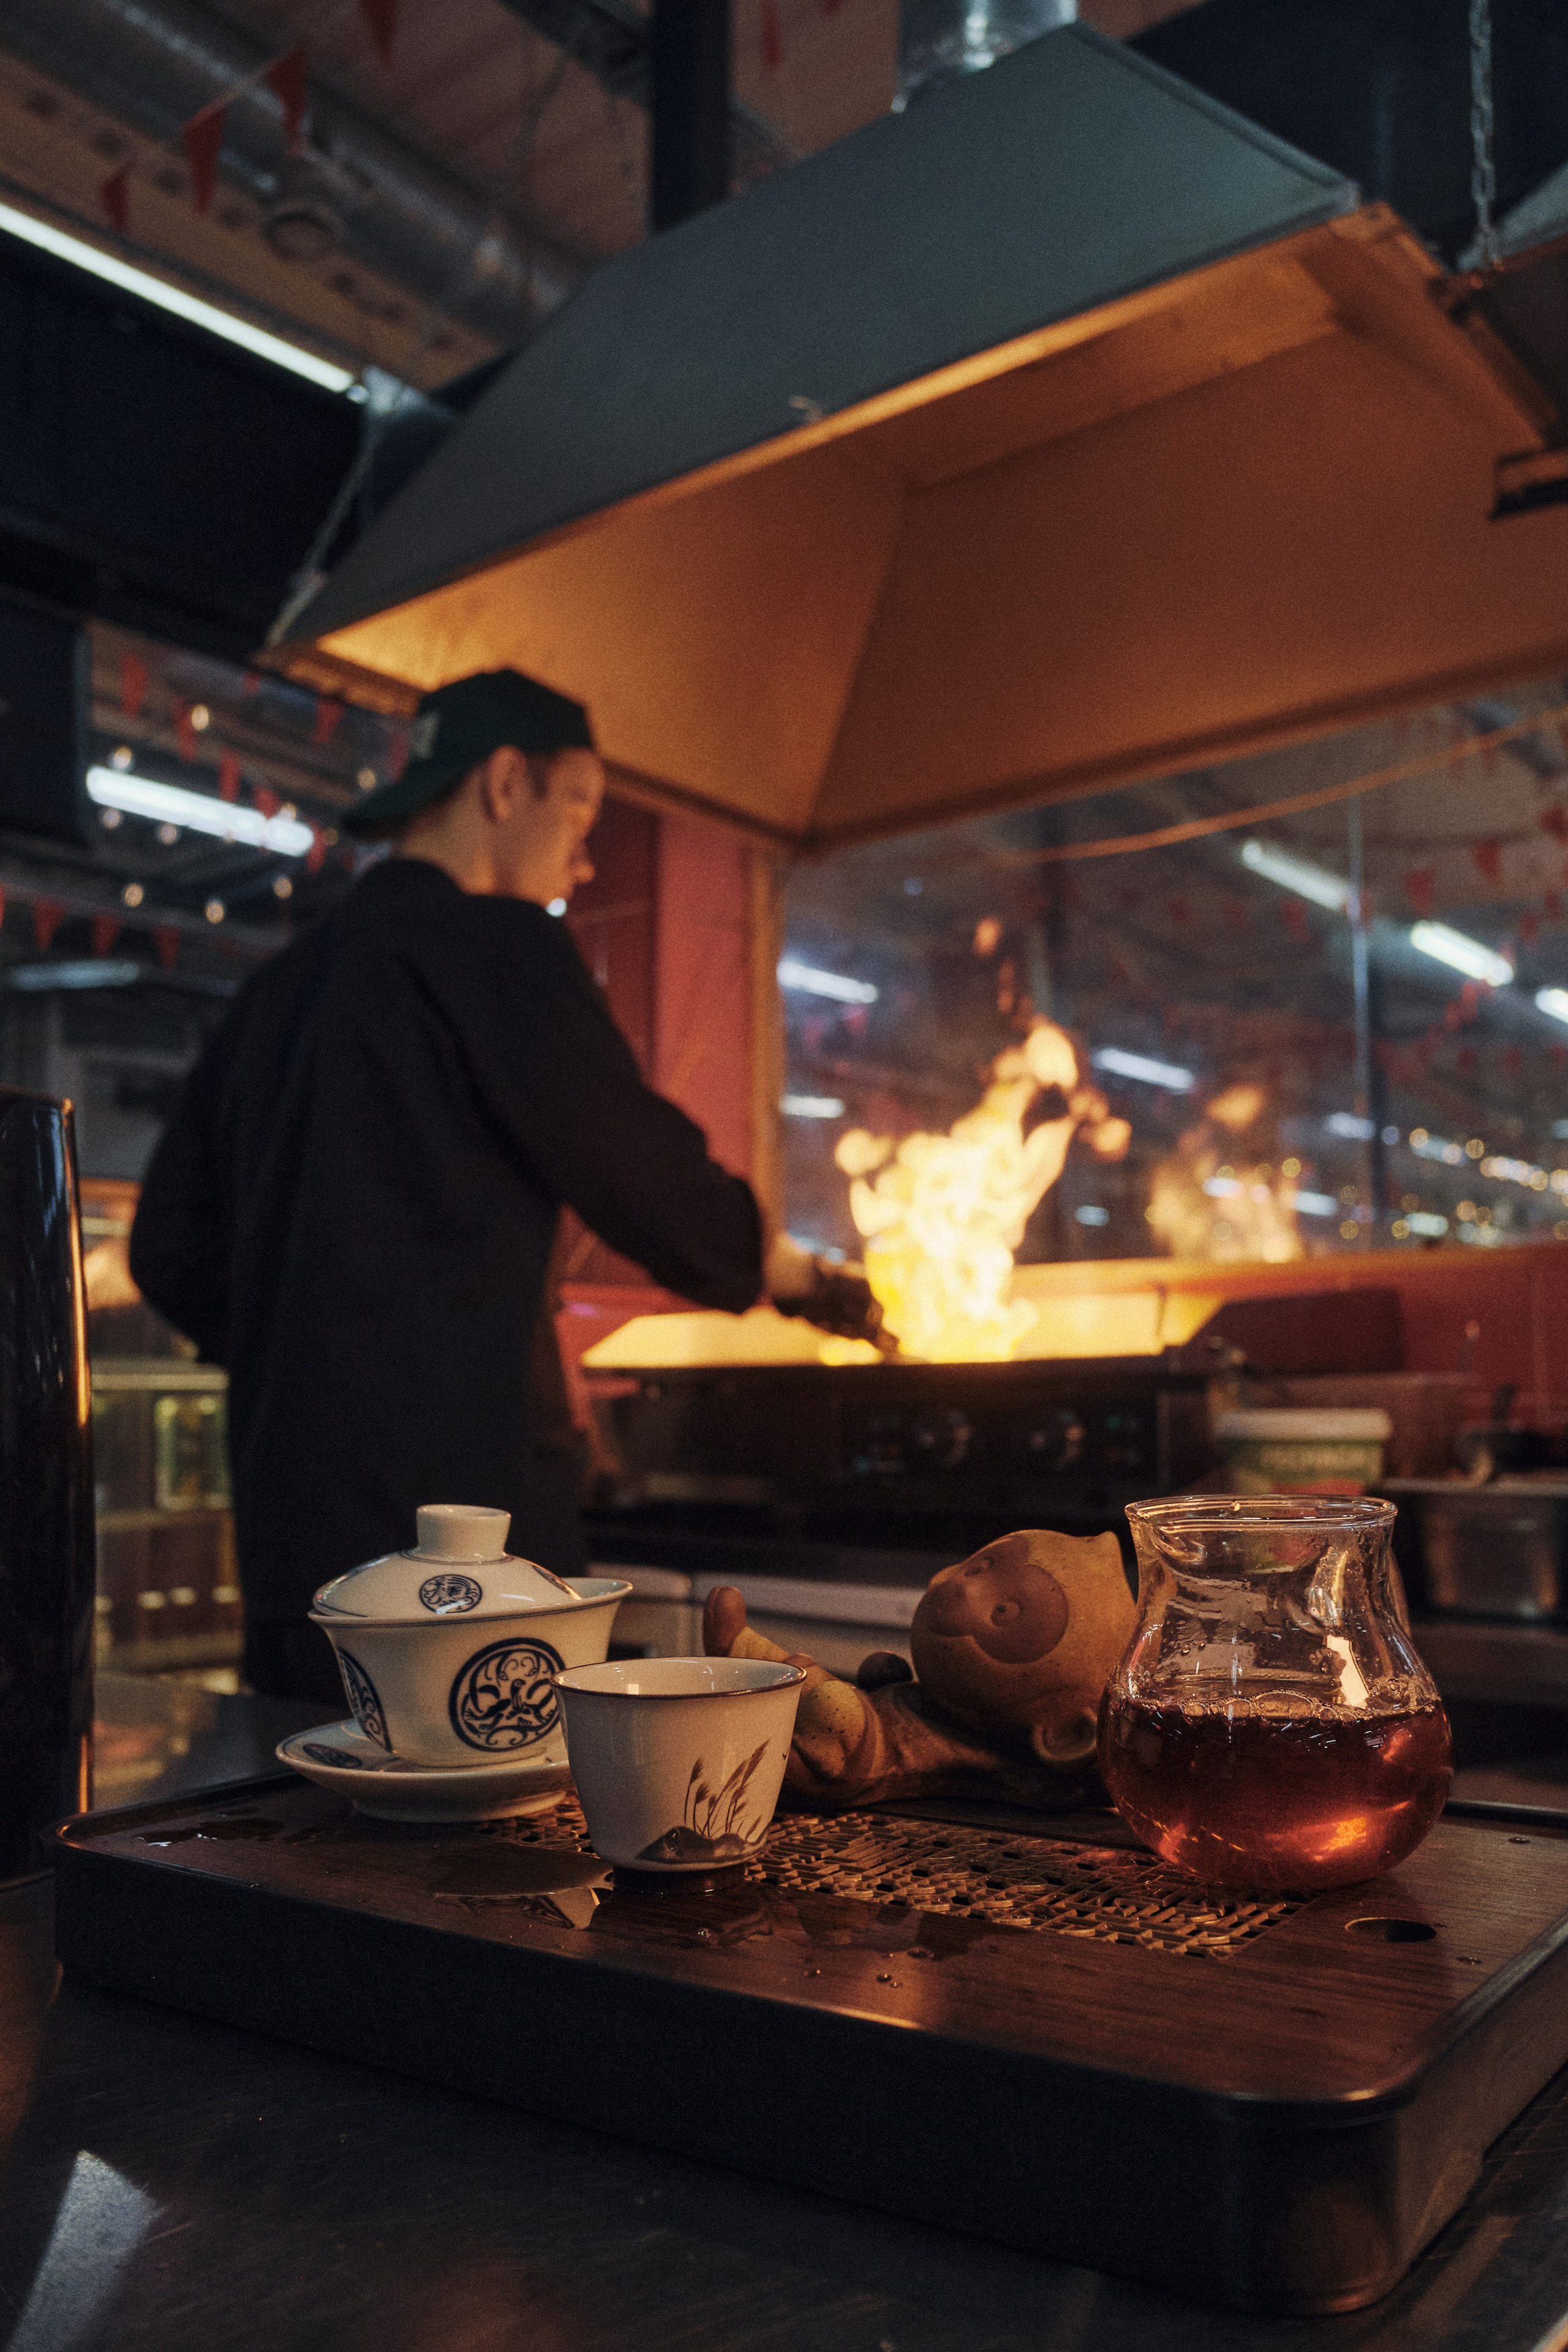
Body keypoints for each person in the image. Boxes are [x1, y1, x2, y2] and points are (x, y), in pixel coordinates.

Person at [130, 669, 875, 1704]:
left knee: (303, 1786)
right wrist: (791, 1274)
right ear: (506, 782)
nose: (583, 855)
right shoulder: (493, 944)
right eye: (579, 812)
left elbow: (165, 1247)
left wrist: (298, 1347)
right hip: (461, 1540)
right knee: (490, 1796)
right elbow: (629, 1161)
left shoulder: (278, 987)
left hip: (290, 1523)